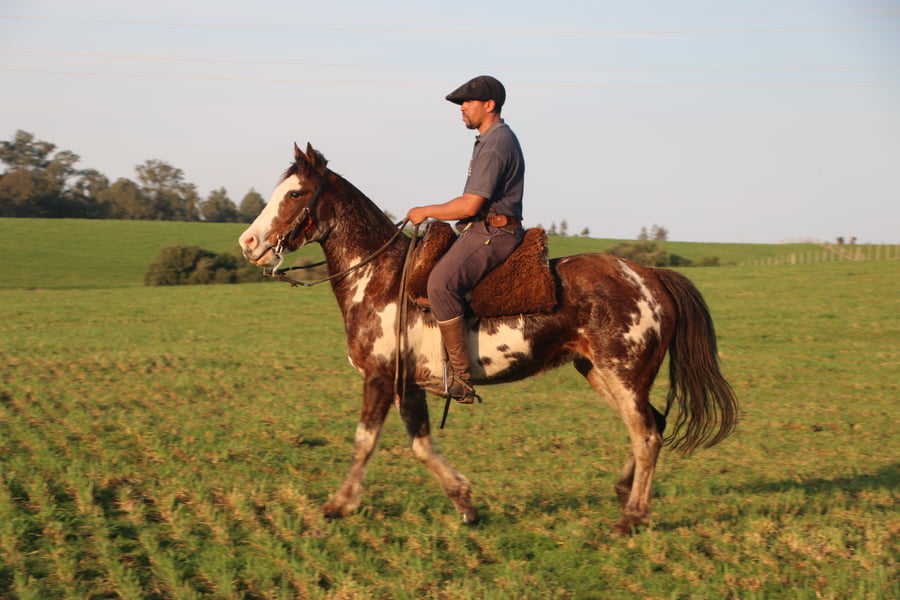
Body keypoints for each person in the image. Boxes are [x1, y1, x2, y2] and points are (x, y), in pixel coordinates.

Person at [406, 75, 525, 404]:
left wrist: (426, 210)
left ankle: (459, 376)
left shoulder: (497, 142)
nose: (462, 108)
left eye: (468, 102)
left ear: (489, 105)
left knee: (440, 284)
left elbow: (470, 204)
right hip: (482, 229)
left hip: (495, 232)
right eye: (461, 103)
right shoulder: (489, 140)